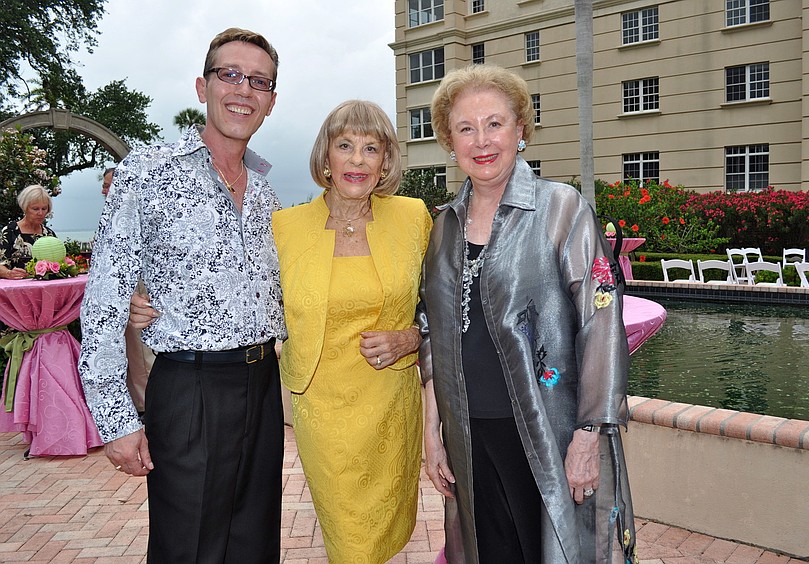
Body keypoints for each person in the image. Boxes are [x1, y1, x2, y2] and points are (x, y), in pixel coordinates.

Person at [79, 28, 286, 563]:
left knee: (254, 548)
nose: (243, 89)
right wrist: (116, 420)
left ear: (271, 100)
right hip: (190, 389)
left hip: (263, 385)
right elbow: (103, 303)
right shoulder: (145, 173)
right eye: (230, 75)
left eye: (258, 81)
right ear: (203, 86)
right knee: (187, 550)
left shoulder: (266, 192)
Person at [418, 64, 637, 563]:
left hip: (546, 430)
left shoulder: (562, 209)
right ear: (449, 141)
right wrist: (433, 428)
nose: (482, 140)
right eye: (466, 128)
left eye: (495, 123)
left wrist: (589, 433)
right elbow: (432, 328)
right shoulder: (444, 227)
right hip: (469, 432)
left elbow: (602, 317)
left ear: (521, 129)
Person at [271, 100, 431, 562]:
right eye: (345, 146)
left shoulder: (413, 217)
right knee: (348, 537)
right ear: (326, 157)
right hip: (322, 407)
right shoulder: (285, 227)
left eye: (371, 148)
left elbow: (447, 303)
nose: (357, 160)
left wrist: (412, 337)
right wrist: (151, 304)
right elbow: (240, 294)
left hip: (390, 400)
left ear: (386, 162)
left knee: (382, 530)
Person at [100, 166, 154, 416]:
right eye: (103, 184)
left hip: (137, 285)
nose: (104, 189)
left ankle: (147, 404)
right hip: (116, 289)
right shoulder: (111, 213)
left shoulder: (135, 212)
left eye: (108, 184)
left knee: (140, 347)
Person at [0, 184, 58, 279]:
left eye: (44, 209)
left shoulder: (49, 234)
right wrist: (8, 273)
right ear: (25, 208)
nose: (40, 213)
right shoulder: (10, 232)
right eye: (35, 209)